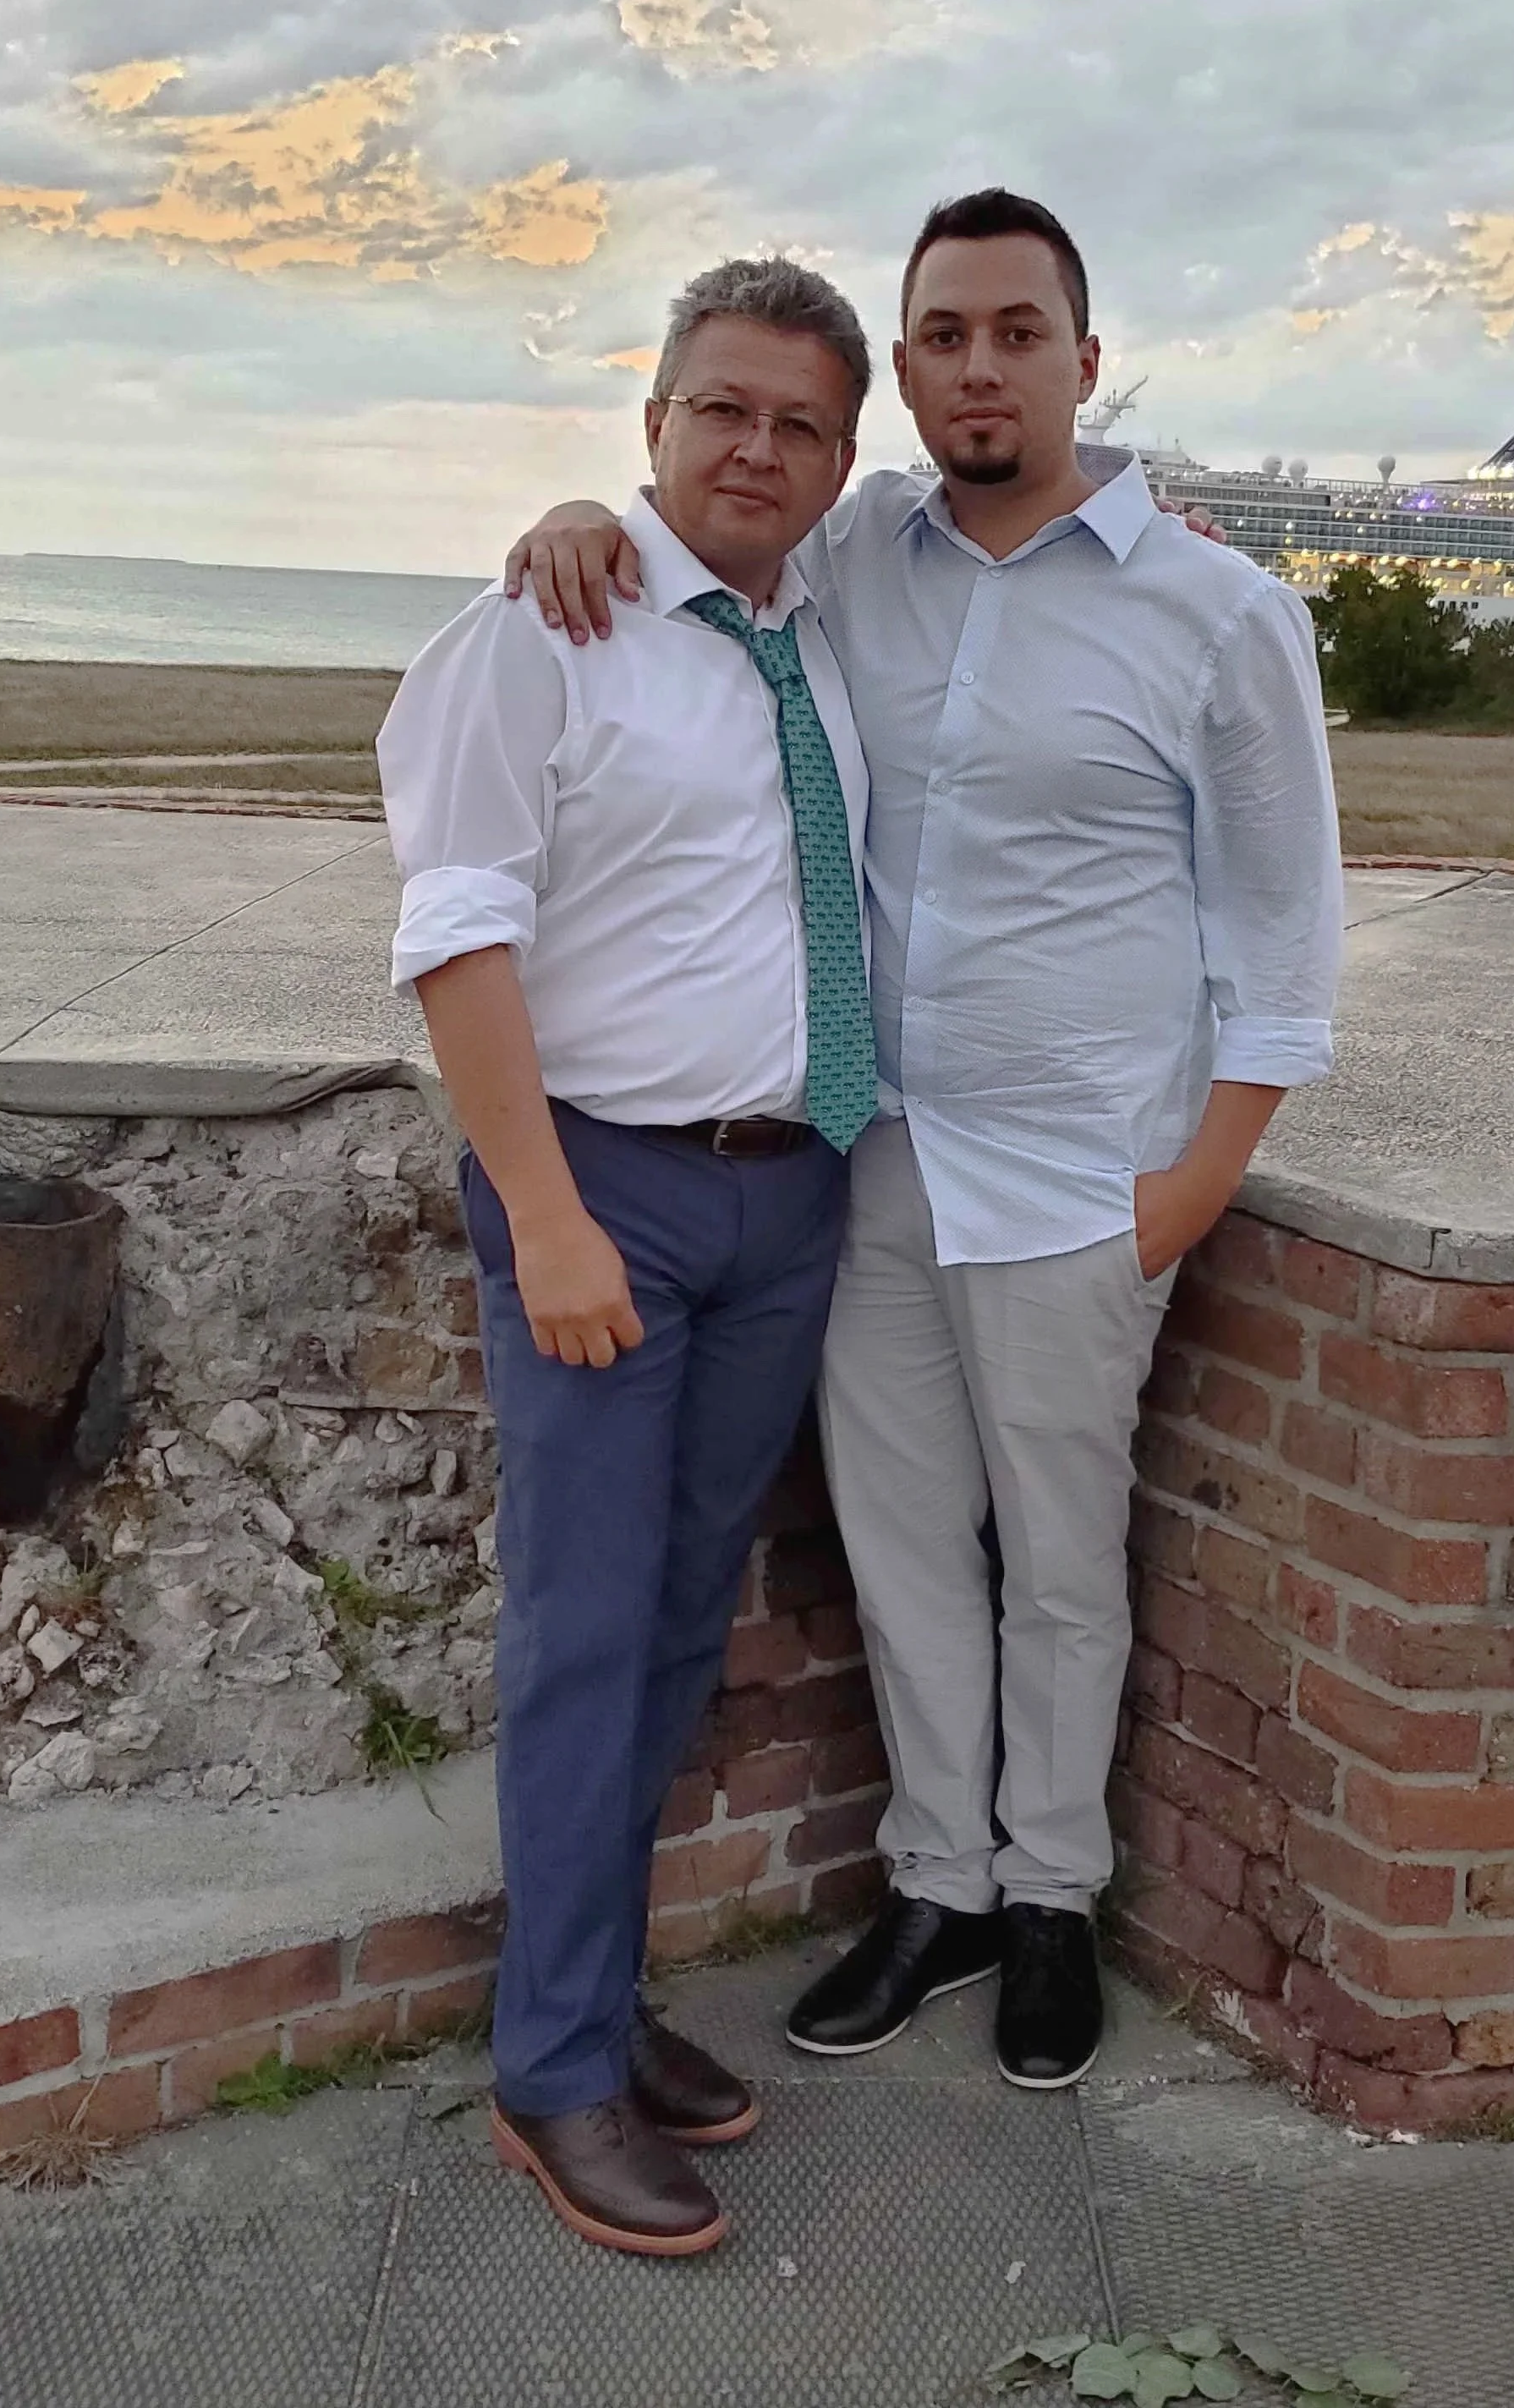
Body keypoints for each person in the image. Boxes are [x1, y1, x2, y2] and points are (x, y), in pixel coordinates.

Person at [504, 188, 1344, 2098]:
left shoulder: (1220, 609)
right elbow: (702, 525)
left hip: (1084, 1179)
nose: (980, 366)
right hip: (874, 1155)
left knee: (1059, 1558)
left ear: (1084, 359)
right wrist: (572, 522)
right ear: (908, 373)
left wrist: (1192, 1188)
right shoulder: (859, 548)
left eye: (1016, 333)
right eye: (944, 336)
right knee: (899, 1549)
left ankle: (1052, 1900)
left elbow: (1284, 936)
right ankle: (934, 1886)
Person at [378, 257, 875, 2256]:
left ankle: (588, 1990)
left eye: (803, 424)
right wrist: (557, 1215)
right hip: (609, 1200)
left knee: (680, 1621)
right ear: (654, 417)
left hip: (790, 1190)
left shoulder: (815, 633)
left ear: (845, 459)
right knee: (589, 1626)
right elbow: (457, 939)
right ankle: (551, 2076)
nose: (759, 450)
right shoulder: (537, 635)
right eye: (723, 410)